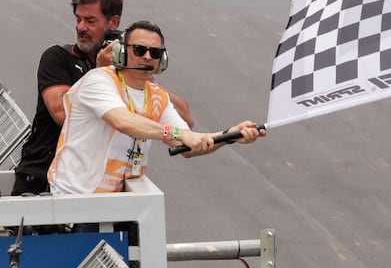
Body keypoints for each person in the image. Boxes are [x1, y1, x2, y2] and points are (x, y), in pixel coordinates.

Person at [11, 0, 194, 196]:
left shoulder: (130, 67)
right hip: (44, 178)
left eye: (90, 21)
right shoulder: (57, 58)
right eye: (78, 19)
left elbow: (186, 120)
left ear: (113, 22)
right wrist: (100, 70)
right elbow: (62, 114)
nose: (81, 27)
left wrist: (141, 71)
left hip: (106, 186)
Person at [47, 20, 266, 196]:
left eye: (155, 53)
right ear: (121, 53)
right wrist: (178, 134)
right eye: (140, 50)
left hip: (117, 201)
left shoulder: (157, 96)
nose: (147, 57)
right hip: (74, 198)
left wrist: (230, 135)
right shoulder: (99, 81)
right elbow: (123, 121)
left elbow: (188, 143)